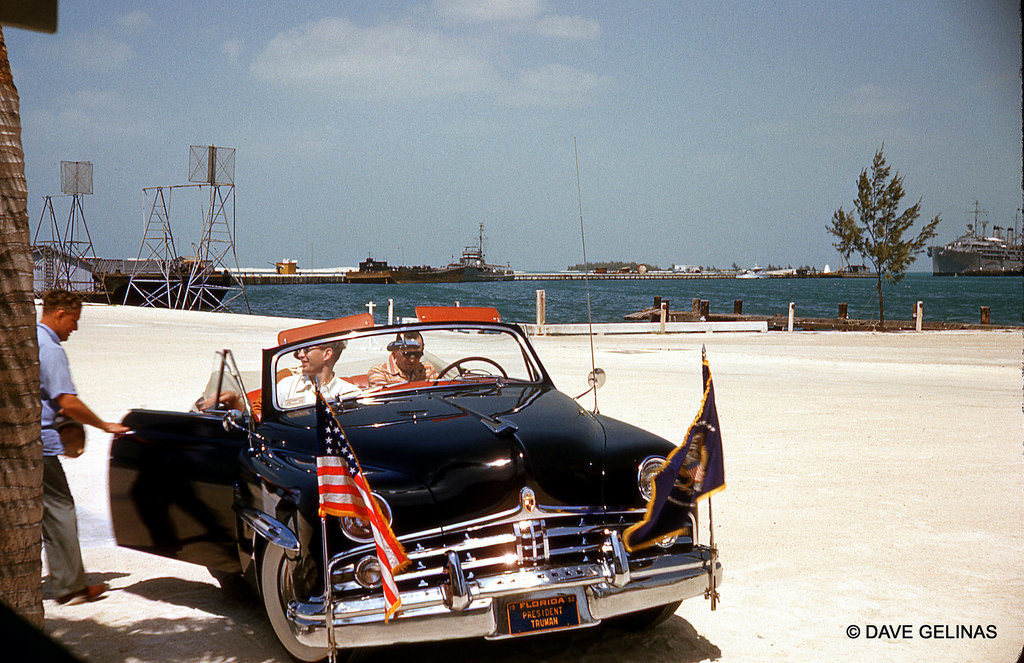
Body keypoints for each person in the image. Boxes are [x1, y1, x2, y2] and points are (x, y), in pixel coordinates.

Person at [38, 289, 129, 604]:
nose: (74, 329)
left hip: (23, 444)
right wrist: (104, 425)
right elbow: (67, 402)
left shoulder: (28, 339)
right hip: (41, 446)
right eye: (73, 321)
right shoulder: (50, 349)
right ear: (60, 314)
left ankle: (67, 581)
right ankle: (71, 587)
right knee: (60, 512)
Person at [276, 340, 361, 409]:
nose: (300, 355)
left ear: (327, 354)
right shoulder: (285, 387)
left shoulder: (351, 394)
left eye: (306, 349)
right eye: (299, 350)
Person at [367, 332, 439, 387]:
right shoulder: (379, 372)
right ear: (396, 351)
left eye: (417, 355)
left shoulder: (428, 370)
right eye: (407, 354)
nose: (412, 360)